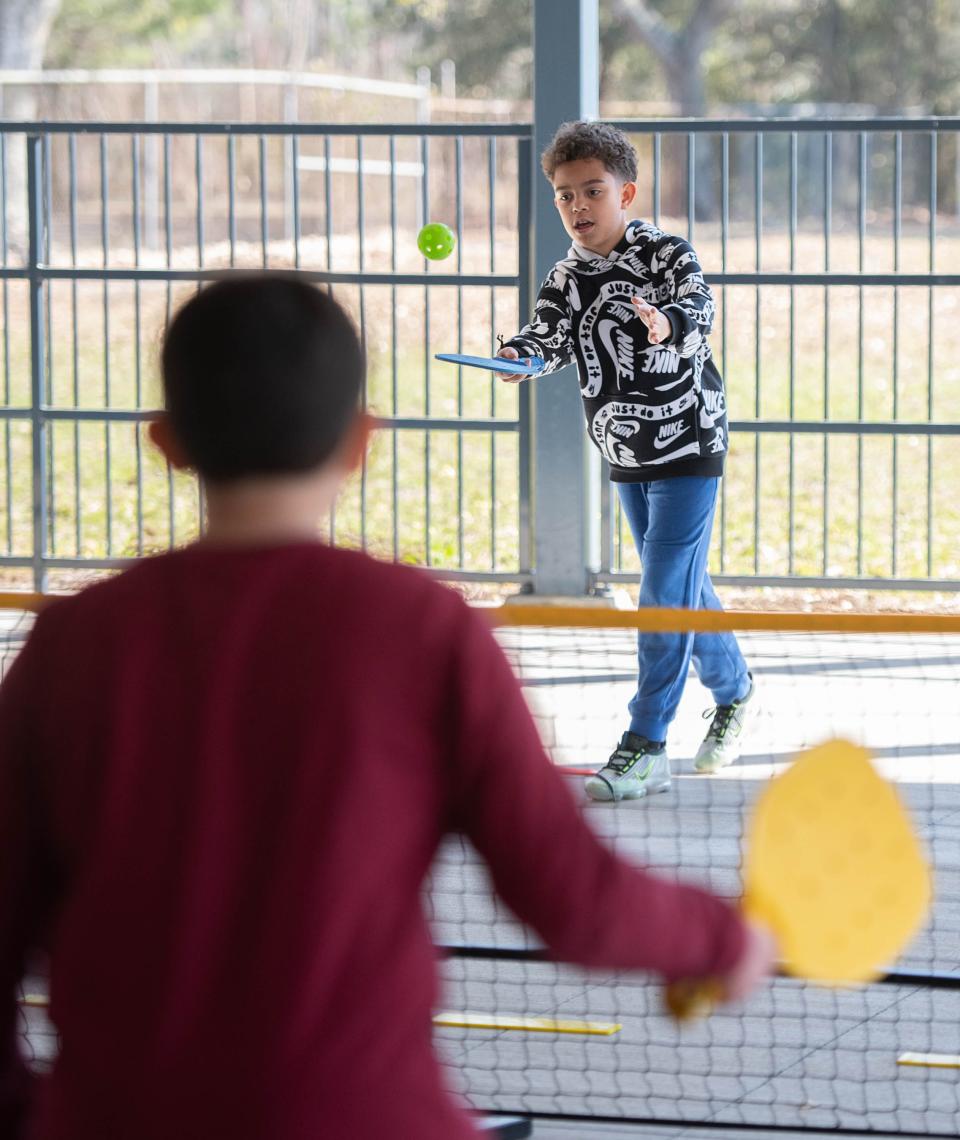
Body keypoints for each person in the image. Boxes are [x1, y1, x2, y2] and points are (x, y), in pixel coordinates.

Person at [0, 274, 774, 1140]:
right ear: (361, 443)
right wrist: (722, 938)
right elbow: (569, 898)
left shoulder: (69, 644)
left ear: (167, 442)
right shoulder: (423, 631)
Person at [496, 120, 757, 803]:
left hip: (691, 444)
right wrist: (521, 358)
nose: (578, 207)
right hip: (625, 453)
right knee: (681, 589)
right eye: (564, 196)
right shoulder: (566, 276)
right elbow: (546, 337)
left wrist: (667, 322)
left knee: (661, 593)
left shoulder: (668, 254)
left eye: (592, 191)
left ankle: (646, 743)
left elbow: (696, 308)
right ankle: (735, 692)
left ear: (627, 193)